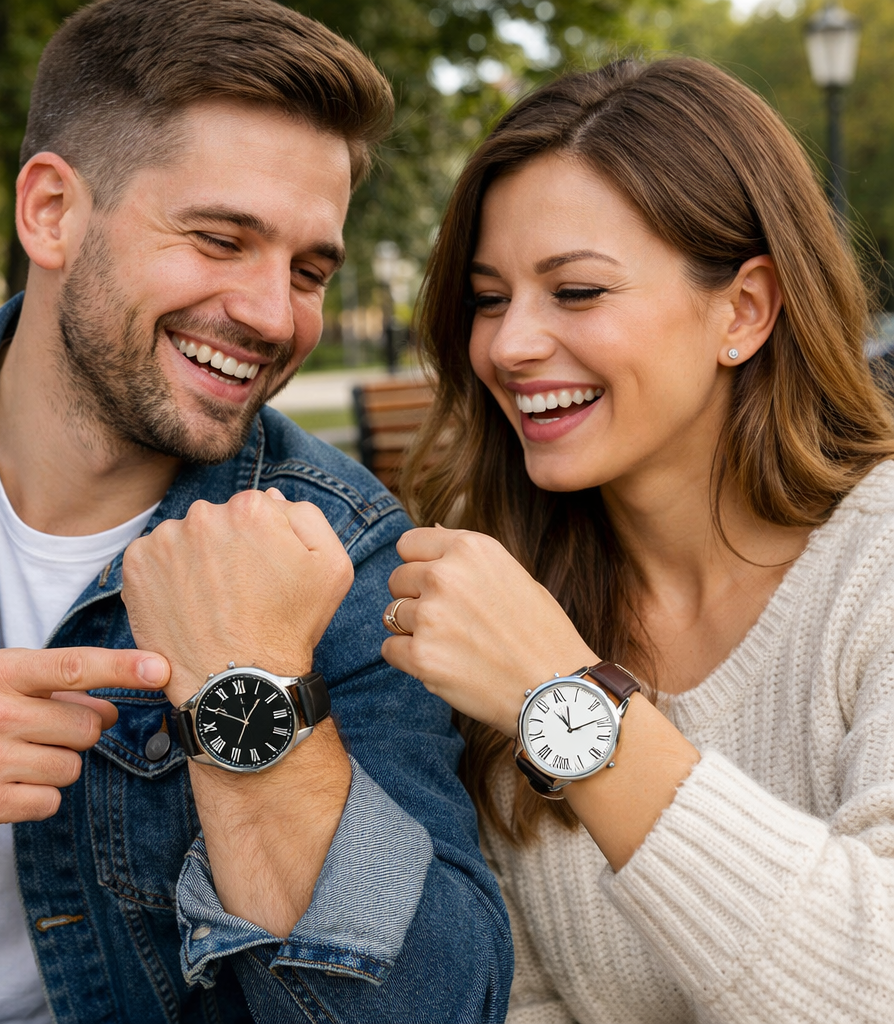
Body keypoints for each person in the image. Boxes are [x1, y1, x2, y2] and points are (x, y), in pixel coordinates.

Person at [0, 1, 512, 1022]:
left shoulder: (344, 552)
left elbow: (433, 1001)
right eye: (221, 239)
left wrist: (249, 692)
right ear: (49, 212)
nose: (271, 314)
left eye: (309, 269)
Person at [382, 56, 894, 1024]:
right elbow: (515, 996)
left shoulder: (877, 567)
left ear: (743, 310)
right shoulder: (499, 594)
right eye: (488, 298)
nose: (508, 344)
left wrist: (562, 702)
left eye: (574, 292)